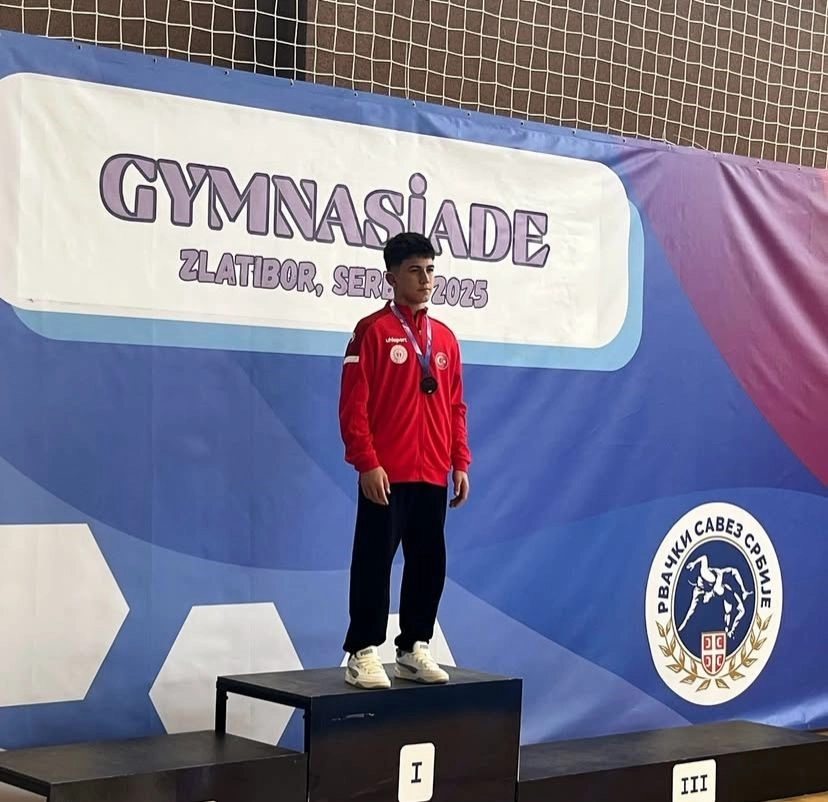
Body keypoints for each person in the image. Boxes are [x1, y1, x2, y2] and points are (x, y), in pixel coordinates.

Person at [338, 231, 471, 689]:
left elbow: (455, 406)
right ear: (392, 277)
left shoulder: (445, 339)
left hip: (433, 471)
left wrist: (459, 461)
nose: (425, 279)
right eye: (415, 270)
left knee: (429, 562)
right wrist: (366, 461)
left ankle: (414, 646)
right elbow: (354, 405)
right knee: (374, 561)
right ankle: (362, 650)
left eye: (430, 270)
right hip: (386, 472)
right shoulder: (372, 332)